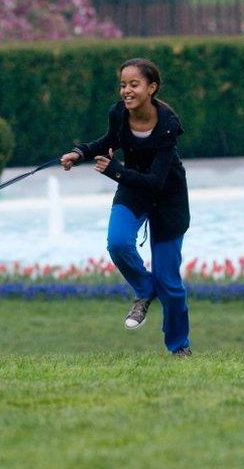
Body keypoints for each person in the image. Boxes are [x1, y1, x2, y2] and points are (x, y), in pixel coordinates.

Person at [60, 58, 192, 357]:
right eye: (123, 85)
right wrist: (79, 153)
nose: (126, 91)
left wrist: (114, 171)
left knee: (170, 285)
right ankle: (145, 291)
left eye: (134, 84)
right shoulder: (119, 114)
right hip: (133, 191)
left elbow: (157, 180)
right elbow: (110, 140)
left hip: (167, 198)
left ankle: (179, 346)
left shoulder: (168, 124)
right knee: (118, 243)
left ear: (152, 88)